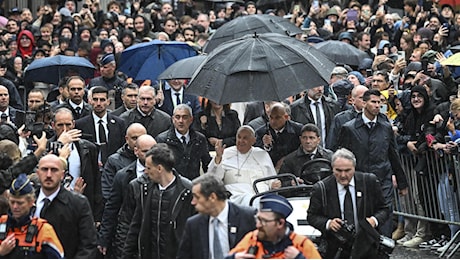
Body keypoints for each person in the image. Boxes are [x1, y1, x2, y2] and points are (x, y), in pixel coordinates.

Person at [337, 89, 409, 237]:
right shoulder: (349, 128)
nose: (377, 105)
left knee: (385, 216)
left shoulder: (386, 127)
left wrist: (402, 183)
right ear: (364, 103)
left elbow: (393, 155)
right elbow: (343, 157)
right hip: (359, 180)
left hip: (383, 179)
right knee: (363, 219)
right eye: (373, 102)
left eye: (379, 102)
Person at [307, 148, 390, 258]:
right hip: (335, 247)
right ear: (332, 169)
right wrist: (328, 223)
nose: (343, 175)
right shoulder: (321, 188)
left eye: (347, 170)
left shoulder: (369, 182)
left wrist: (373, 221)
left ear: (354, 168)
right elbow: (312, 216)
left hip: (366, 246)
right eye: (338, 170)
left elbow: (384, 209)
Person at [122, 143, 195, 258]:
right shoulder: (144, 189)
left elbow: (195, 232)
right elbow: (135, 227)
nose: (145, 171)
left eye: (149, 168)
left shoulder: (187, 191)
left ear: (160, 168)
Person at [98, 134, 157, 257]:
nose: (150, 155)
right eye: (146, 151)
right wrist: (104, 238)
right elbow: (112, 208)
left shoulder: (161, 174)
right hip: (129, 233)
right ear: (136, 151)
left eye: (153, 150)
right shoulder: (123, 176)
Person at [177, 174, 256, 258]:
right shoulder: (193, 225)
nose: (193, 202)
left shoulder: (247, 217)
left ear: (212, 197)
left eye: (197, 197)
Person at [34, 154, 98, 258]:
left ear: (62, 175)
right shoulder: (28, 200)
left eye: (54, 170)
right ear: (38, 173)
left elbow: (88, 244)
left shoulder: (78, 203)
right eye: (45, 169)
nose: (49, 175)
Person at [49, 107, 103, 222]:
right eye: (60, 125)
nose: (65, 130)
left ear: (73, 124)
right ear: (53, 125)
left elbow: (96, 182)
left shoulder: (88, 148)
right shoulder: (47, 148)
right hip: (54, 206)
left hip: (81, 205)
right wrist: (58, 144)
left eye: (68, 125)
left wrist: (97, 217)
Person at [227, 193, 321, 259]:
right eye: (258, 219)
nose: (258, 225)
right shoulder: (252, 239)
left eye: (264, 221)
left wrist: (300, 258)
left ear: (280, 223)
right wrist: (233, 258)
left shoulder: (301, 244)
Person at [208, 125, 277, 206]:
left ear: (253, 140)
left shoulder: (262, 154)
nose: (241, 141)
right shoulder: (225, 153)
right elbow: (213, 179)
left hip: (260, 196)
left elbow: (272, 178)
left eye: (245, 138)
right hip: (235, 196)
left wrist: (274, 184)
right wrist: (218, 157)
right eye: (239, 137)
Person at [0, 174, 64, 258]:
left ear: (31, 202)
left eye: (20, 203)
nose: (15, 207)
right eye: (12, 202)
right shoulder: (1, 223)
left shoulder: (43, 229)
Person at [156, 104, 211, 180]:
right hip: (172, 184)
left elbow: (207, 163)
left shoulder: (199, 139)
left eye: (184, 117)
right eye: (177, 117)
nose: (181, 121)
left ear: (191, 119)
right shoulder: (162, 139)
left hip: (193, 184)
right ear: (173, 119)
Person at [75, 86, 126, 165]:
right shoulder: (80, 124)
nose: (98, 103)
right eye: (95, 100)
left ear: (108, 102)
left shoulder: (119, 123)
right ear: (90, 101)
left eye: (102, 100)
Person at [100, 123, 146, 201]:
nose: (138, 141)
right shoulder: (114, 161)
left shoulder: (153, 159)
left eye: (141, 138)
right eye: (134, 138)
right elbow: (107, 191)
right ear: (127, 139)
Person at [255, 103, 303, 170]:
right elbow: (257, 154)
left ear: (286, 117)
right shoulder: (261, 132)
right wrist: (266, 146)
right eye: (271, 117)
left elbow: (301, 150)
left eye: (277, 118)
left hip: (293, 168)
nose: (273, 121)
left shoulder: (298, 130)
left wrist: (286, 159)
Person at [327, 85, 368, 151]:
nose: (365, 101)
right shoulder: (341, 119)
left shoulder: (375, 118)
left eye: (367, 98)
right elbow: (332, 144)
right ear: (352, 100)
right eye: (361, 98)